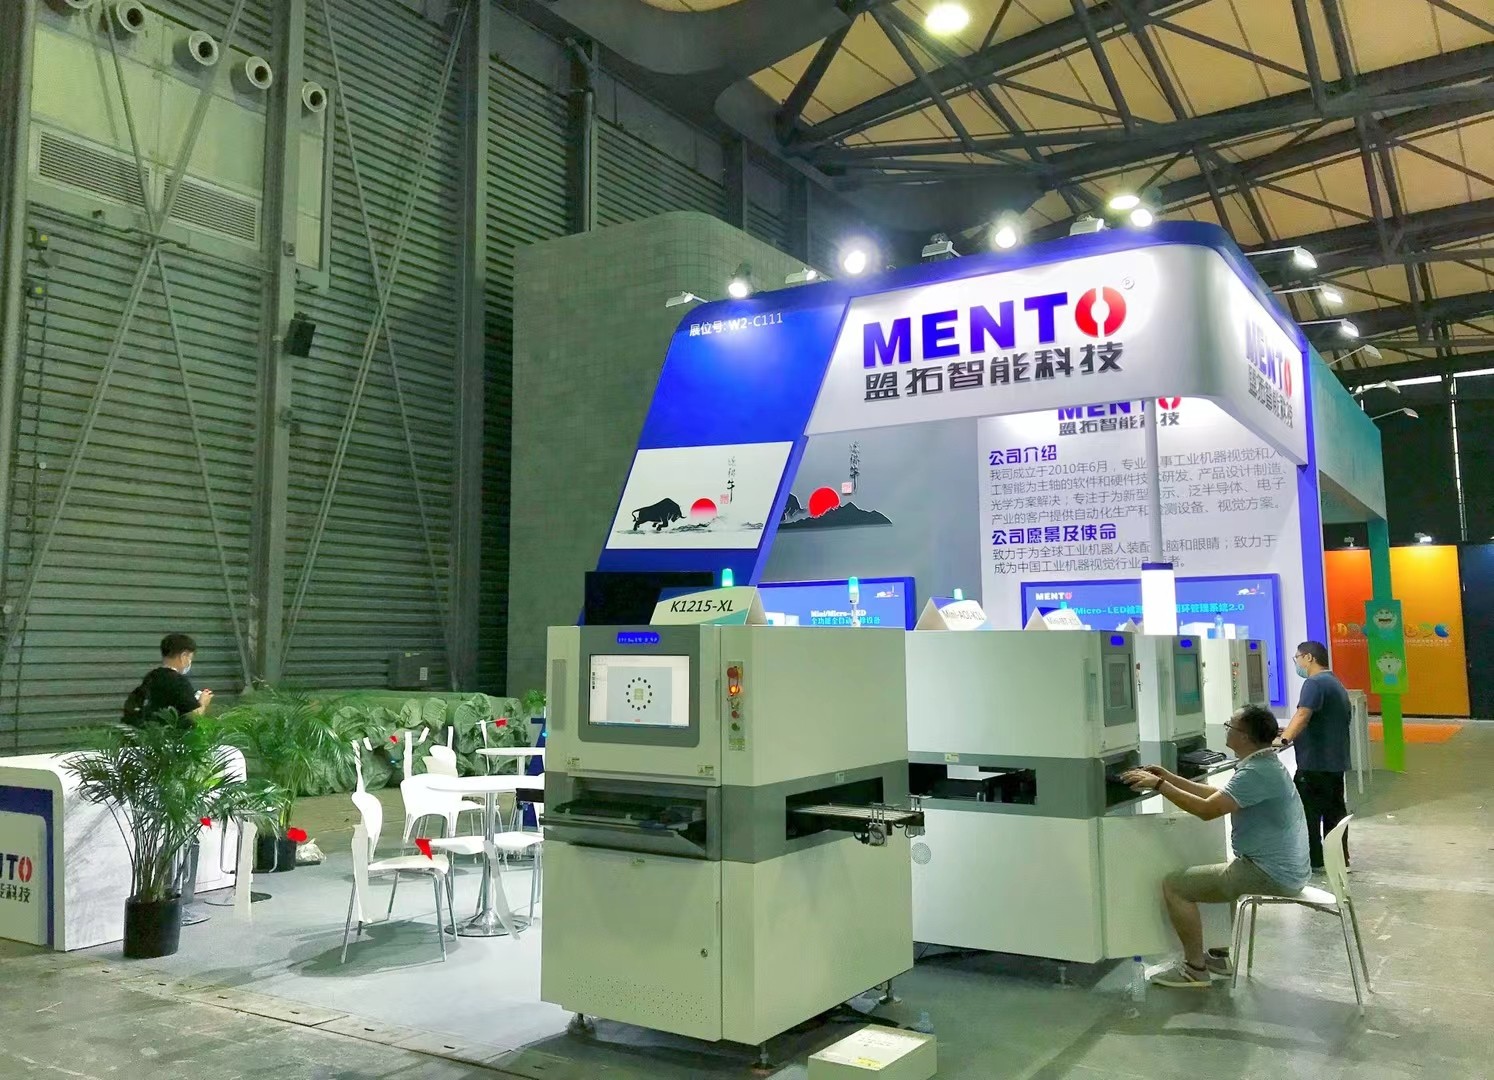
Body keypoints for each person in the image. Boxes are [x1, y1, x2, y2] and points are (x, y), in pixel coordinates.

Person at [1121, 703, 1310, 988]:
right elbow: (1219, 796)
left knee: (1175, 886)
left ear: (1244, 736)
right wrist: (1169, 778)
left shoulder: (1257, 772)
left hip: (1270, 873)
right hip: (1283, 869)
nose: (1226, 730)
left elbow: (1207, 810)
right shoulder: (1264, 764)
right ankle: (1219, 957)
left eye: (1230, 726)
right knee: (1221, 874)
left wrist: (1159, 786)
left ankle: (1194, 968)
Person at [1280, 640, 1352, 873]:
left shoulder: (1314, 683)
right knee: (1334, 813)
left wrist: (1283, 739)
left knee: (1306, 814)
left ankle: (1314, 860)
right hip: (1334, 761)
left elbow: (1303, 714)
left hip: (1314, 763)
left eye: (1297, 658)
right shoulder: (1334, 682)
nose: (1297, 663)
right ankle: (1338, 860)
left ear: (1309, 657)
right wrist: (1287, 730)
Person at [124, 633, 212, 726]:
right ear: (184, 656)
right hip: (170, 733)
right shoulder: (179, 682)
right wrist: (203, 703)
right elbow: (192, 718)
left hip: (149, 732)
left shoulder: (151, 676)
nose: (190, 662)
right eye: (190, 658)